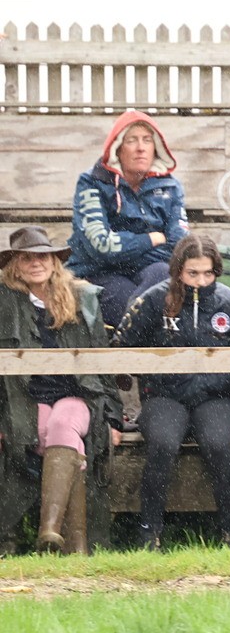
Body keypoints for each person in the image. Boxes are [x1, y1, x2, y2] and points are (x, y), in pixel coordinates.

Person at [112, 234, 230, 549]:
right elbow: (122, 349)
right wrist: (160, 378)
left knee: (217, 444)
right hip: (164, 396)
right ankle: (150, 533)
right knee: (162, 444)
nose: (200, 281)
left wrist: (212, 382)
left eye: (208, 273)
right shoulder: (153, 299)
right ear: (178, 270)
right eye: (193, 273)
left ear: (217, 270)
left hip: (214, 397)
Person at [0, 226, 122, 554]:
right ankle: (76, 545)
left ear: (55, 261)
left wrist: (113, 417)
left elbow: (101, 363)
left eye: (42, 256)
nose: (35, 263)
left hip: (78, 396)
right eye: (27, 258)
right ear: (15, 264)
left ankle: (50, 531)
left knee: (63, 425)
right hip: (24, 400)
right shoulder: (3, 300)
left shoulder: (82, 298)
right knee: (42, 434)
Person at [67, 111, 189, 328]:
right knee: (127, 301)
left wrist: (122, 250)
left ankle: (131, 339)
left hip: (149, 270)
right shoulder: (91, 183)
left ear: (156, 148)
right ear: (117, 148)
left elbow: (178, 248)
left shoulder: (171, 187)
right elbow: (100, 247)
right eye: (131, 140)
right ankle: (141, 345)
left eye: (147, 140)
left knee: (163, 275)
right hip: (99, 272)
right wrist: (149, 240)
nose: (141, 148)